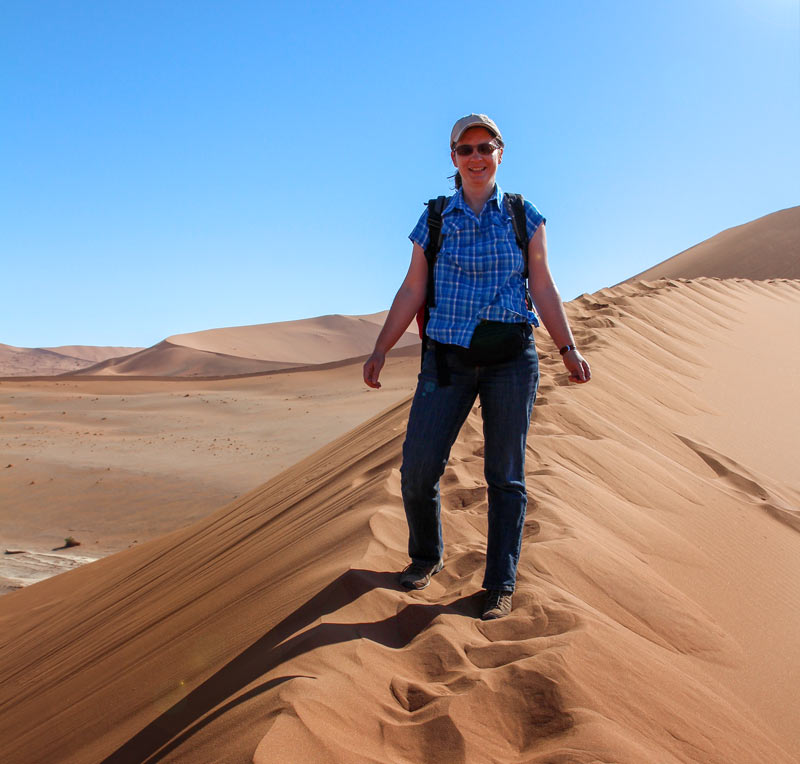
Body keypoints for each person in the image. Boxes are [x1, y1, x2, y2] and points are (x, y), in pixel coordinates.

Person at [363, 114, 591, 620]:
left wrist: (567, 347)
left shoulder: (522, 214)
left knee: (504, 476)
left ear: (500, 153)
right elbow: (412, 288)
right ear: (453, 158)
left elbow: (545, 286)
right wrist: (381, 347)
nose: (475, 157)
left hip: (511, 358)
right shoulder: (437, 217)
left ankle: (499, 584)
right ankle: (426, 556)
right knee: (418, 469)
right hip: (447, 358)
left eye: (485, 147)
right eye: (465, 149)